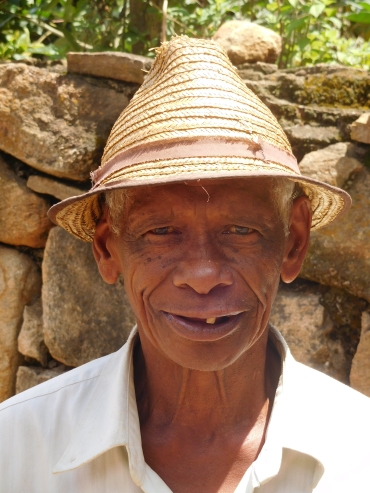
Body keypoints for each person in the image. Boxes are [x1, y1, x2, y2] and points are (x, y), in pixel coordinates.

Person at [0, 36, 369, 493]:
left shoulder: (358, 454)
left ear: (293, 242)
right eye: (160, 232)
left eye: (239, 230)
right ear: (107, 250)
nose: (203, 274)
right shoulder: (17, 449)